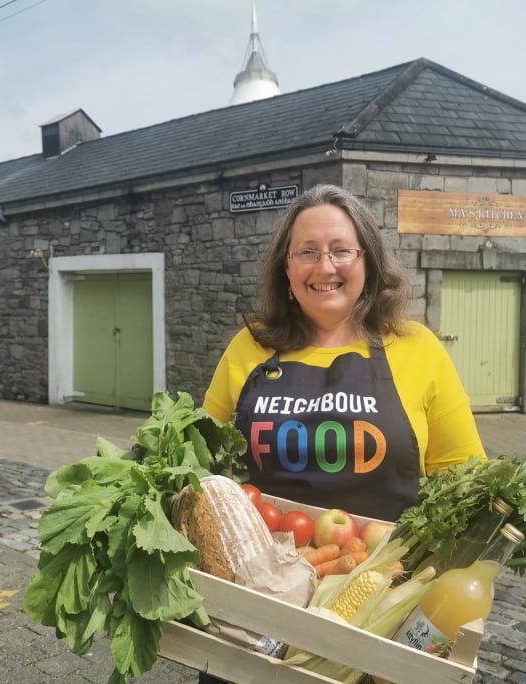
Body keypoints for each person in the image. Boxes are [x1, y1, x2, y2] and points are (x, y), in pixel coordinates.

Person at [197, 184, 484, 683]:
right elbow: (200, 463)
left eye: (340, 250)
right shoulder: (249, 347)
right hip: (261, 600)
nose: (324, 266)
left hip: (374, 610)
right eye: (306, 252)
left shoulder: (417, 348)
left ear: (367, 261)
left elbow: (465, 478)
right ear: (286, 269)